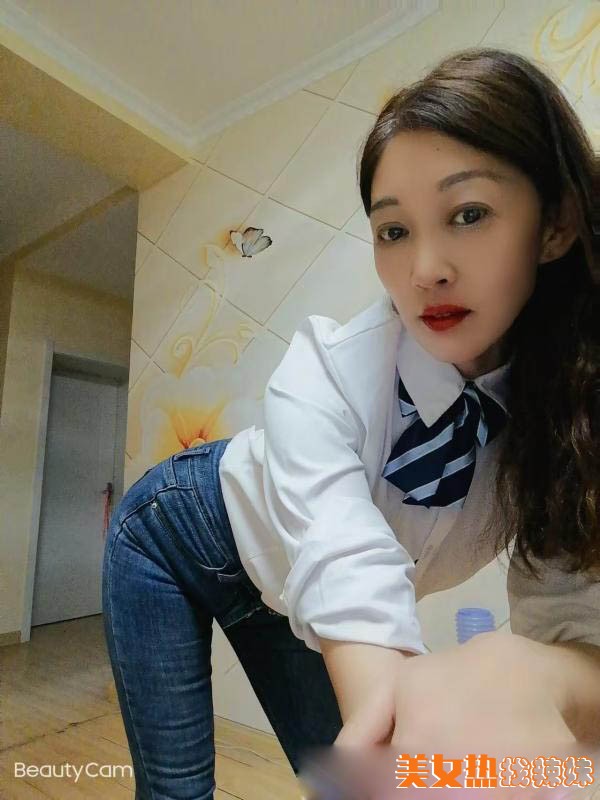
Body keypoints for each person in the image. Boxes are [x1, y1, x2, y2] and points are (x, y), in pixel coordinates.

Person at [102, 47, 600, 799]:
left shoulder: (570, 423)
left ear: (555, 224)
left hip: (290, 596)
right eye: (393, 230)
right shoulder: (327, 370)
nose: (425, 269)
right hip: (178, 530)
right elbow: (346, 564)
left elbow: (573, 622)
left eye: (468, 214)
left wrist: (548, 675)